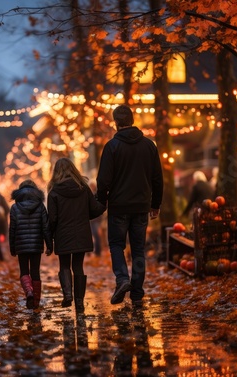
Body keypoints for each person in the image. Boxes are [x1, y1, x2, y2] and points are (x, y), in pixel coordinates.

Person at [96, 104, 163, 307]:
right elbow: (157, 178)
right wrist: (155, 204)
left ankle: (122, 279)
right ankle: (137, 292)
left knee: (117, 245)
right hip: (141, 207)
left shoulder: (111, 147)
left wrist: (102, 201)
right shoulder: (149, 146)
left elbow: (103, 180)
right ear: (132, 120)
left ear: (116, 122)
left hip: (118, 207)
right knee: (138, 249)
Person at [47, 158, 106, 313]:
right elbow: (94, 210)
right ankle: (79, 303)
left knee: (64, 265)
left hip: (62, 234)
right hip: (81, 233)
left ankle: (67, 295)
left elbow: (52, 219)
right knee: (78, 266)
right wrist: (103, 200)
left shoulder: (53, 192)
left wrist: (49, 238)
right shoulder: (84, 189)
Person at [9, 180, 53, 309]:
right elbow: (46, 227)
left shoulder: (15, 208)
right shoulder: (40, 206)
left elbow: (12, 229)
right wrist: (49, 245)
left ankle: (28, 292)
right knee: (35, 272)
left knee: (24, 271)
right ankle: (36, 302)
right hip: (35, 244)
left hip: (21, 244)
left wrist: (12, 247)